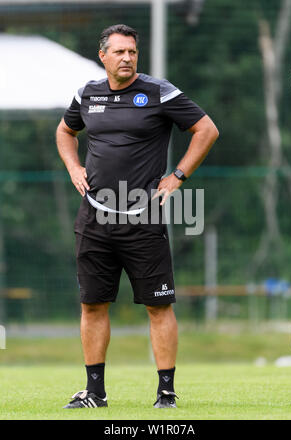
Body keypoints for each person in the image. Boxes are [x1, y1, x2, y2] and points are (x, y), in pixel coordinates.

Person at [56, 24, 219, 409]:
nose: (127, 58)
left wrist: (178, 176)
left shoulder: (159, 91)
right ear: (104, 56)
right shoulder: (87, 94)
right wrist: (73, 168)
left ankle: (166, 392)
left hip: (142, 217)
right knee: (93, 305)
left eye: (132, 51)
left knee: (158, 305)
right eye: (119, 52)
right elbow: (65, 132)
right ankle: (95, 392)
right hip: (94, 217)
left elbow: (206, 129)